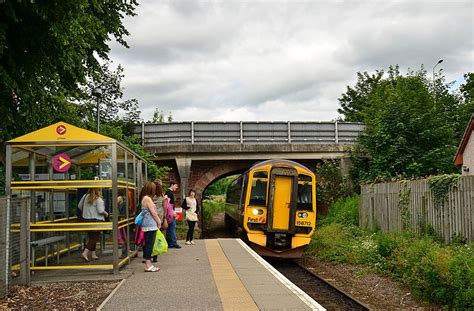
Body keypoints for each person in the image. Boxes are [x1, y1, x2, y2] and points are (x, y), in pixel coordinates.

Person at [78, 188, 108, 261]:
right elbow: (100, 211)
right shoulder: (98, 199)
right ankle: (85, 253)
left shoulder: (85, 196)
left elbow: (79, 206)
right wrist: (106, 214)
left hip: (86, 219)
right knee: (95, 238)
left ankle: (93, 254)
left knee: (91, 237)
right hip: (96, 220)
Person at [140, 181, 161, 272]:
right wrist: (159, 221)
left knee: (148, 244)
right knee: (150, 244)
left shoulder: (143, 198)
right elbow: (153, 212)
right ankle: (148, 265)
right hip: (150, 224)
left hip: (146, 224)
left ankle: (148, 264)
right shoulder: (148, 199)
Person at [151, 180, 166, 262]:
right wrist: (164, 217)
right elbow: (164, 207)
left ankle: (150, 254)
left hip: (151, 218)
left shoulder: (150, 197)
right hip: (159, 218)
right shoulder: (162, 196)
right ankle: (155, 255)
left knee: (150, 237)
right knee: (156, 236)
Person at [165, 181, 181, 248]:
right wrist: (173, 212)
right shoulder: (169, 193)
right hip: (170, 213)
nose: (176, 187)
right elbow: (168, 204)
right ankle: (174, 243)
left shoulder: (167, 192)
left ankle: (169, 243)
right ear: (172, 185)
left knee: (169, 228)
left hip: (169, 212)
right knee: (172, 227)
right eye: (176, 186)